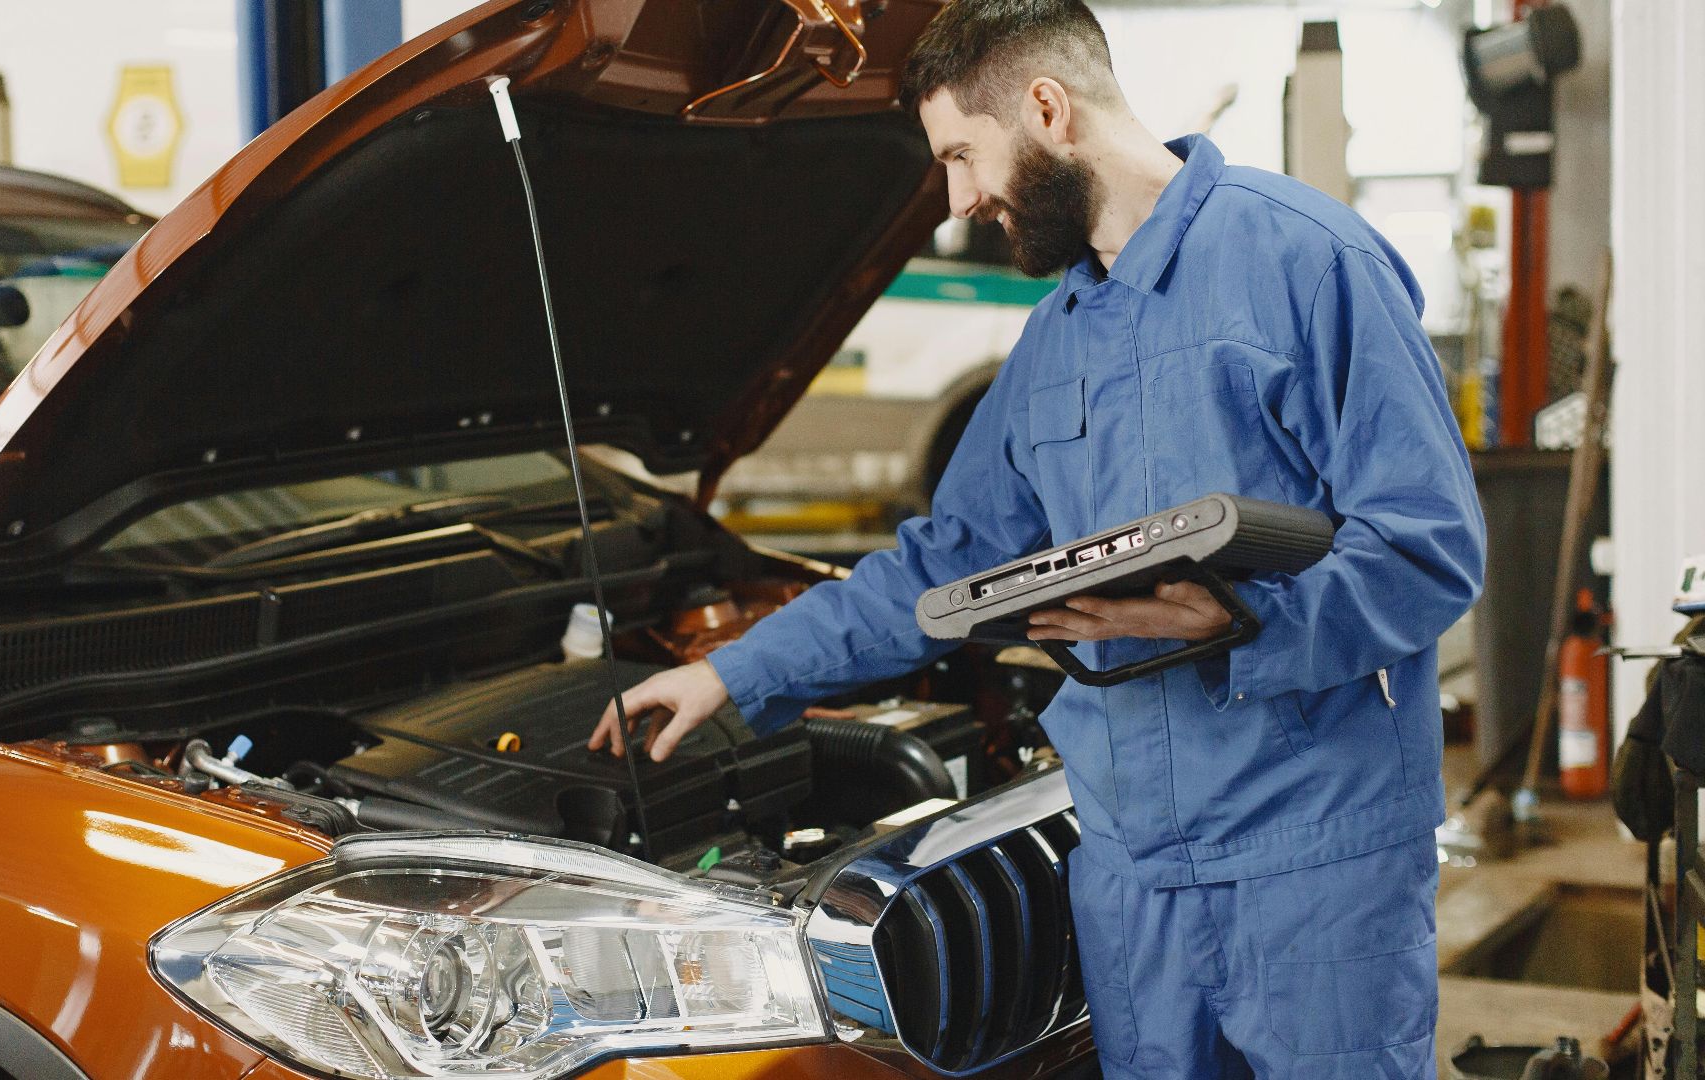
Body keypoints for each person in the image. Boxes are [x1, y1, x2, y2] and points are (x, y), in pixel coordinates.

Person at [590, 1, 1485, 1075]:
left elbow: (1429, 546)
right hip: (1131, 873)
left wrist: (1236, 621)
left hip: (1313, 857)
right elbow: (943, 563)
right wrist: (732, 674)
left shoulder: (1307, 261)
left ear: (1047, 109)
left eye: (962, 156)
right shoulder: (1055, 340)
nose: (959, 199)